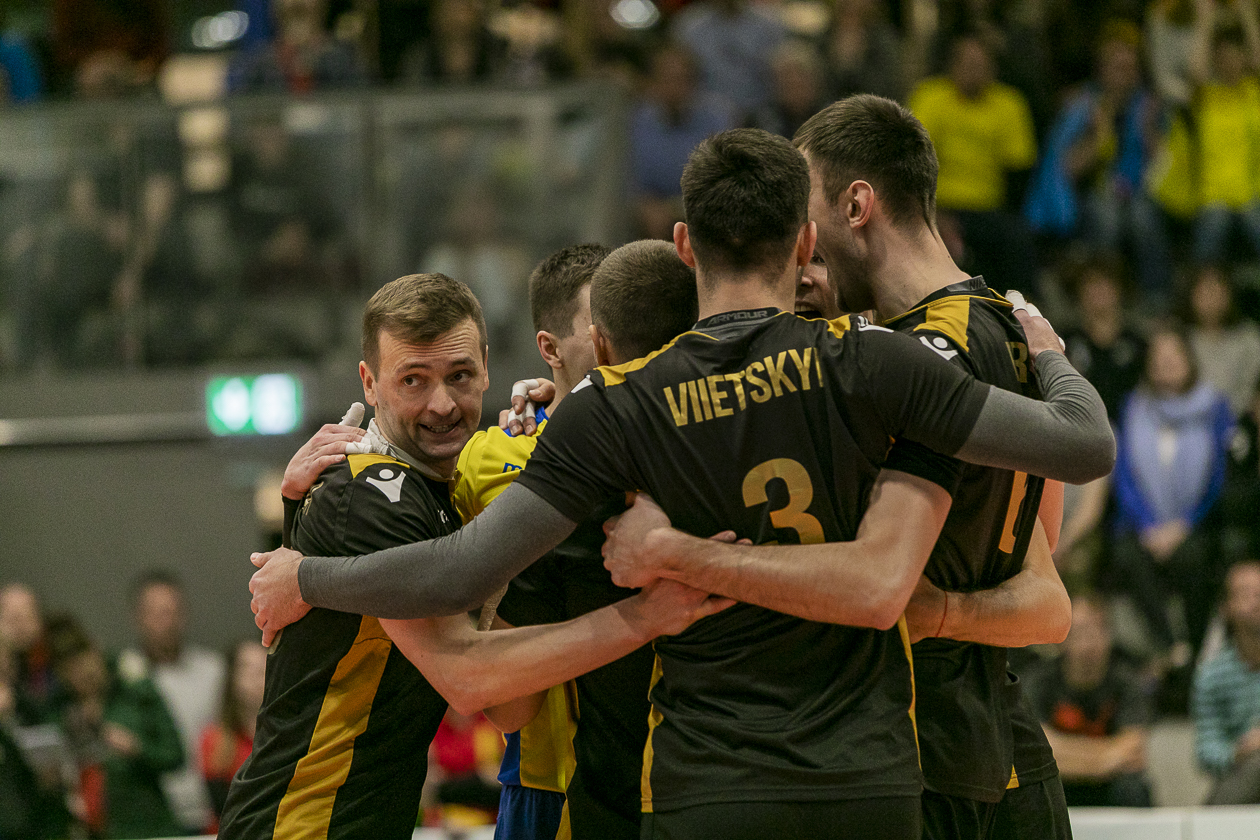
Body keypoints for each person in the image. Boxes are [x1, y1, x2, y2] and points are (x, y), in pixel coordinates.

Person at [249, 128, 1114, 840]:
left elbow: (457, 579)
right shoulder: (874, 363)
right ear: (804, 245)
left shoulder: (615, 409)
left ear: (686, 245)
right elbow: (1080, 445)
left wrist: (307, 574)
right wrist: (1045, 353)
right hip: (869, 777)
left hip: (703, 782)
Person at [222, 272, 724, 838]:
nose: (442, 404)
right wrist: (646, 616)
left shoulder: (442, 485)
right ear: (369, 384)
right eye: (413, 380)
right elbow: (469, 677)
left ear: (487, 366)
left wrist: (564, 409)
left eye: (459, 375)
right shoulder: (372, 493)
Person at [777, 92, 1075, 840]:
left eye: (806, 219)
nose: (801, 247)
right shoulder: (1008, 323)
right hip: (982, 729)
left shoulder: (914, 358)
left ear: (856, 206)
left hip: (918, 741)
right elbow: (1041, 552)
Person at [1108, 327, 1234, 663]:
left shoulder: (1214, 406)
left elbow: (1219, 476)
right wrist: (1149, 526)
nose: (1165, 362)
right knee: (1126, 555)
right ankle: (1170, 647)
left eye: (1173, 354)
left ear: (1189, 360)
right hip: (1143, 525)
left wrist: (1184, 524)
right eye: (1158, 356)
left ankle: (1197, 647)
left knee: (1193, 557)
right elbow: (1124, 474)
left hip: (1196, 522)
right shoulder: (1133, 406)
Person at [1029, 594, 1155, 807]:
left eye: (1096, 631)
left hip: (1110, 785)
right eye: (1079, 633)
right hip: (1057, 784)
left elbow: (1132, 750)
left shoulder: (1127, 683)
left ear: (1110, 636)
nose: (1088, 644)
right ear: (1062, 638)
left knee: (1135, 790)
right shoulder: (1039, 683)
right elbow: (1037, 752)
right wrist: (1107, 758)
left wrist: (1062, 753)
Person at [123, 571, 224, 835]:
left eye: (170, 612)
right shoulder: (123, 679)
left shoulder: (213, 671)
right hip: (151, 816)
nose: (164, 622)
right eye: (154, 613)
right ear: (137, 618)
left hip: (212, 809)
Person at [1193, 558, 1260, 804]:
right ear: (1226, 608)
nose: (1257, 601)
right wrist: (1239, 751)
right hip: (1239, 775)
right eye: (1246, 593)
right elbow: (1206, 749)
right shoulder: (1212, 675)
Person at [199, 640, 267, 826]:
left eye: (263, 668)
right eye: (248, 668)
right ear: (232, 678)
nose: (257, 677)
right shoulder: (214, 739)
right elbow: (221, 805)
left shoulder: (288, 735)